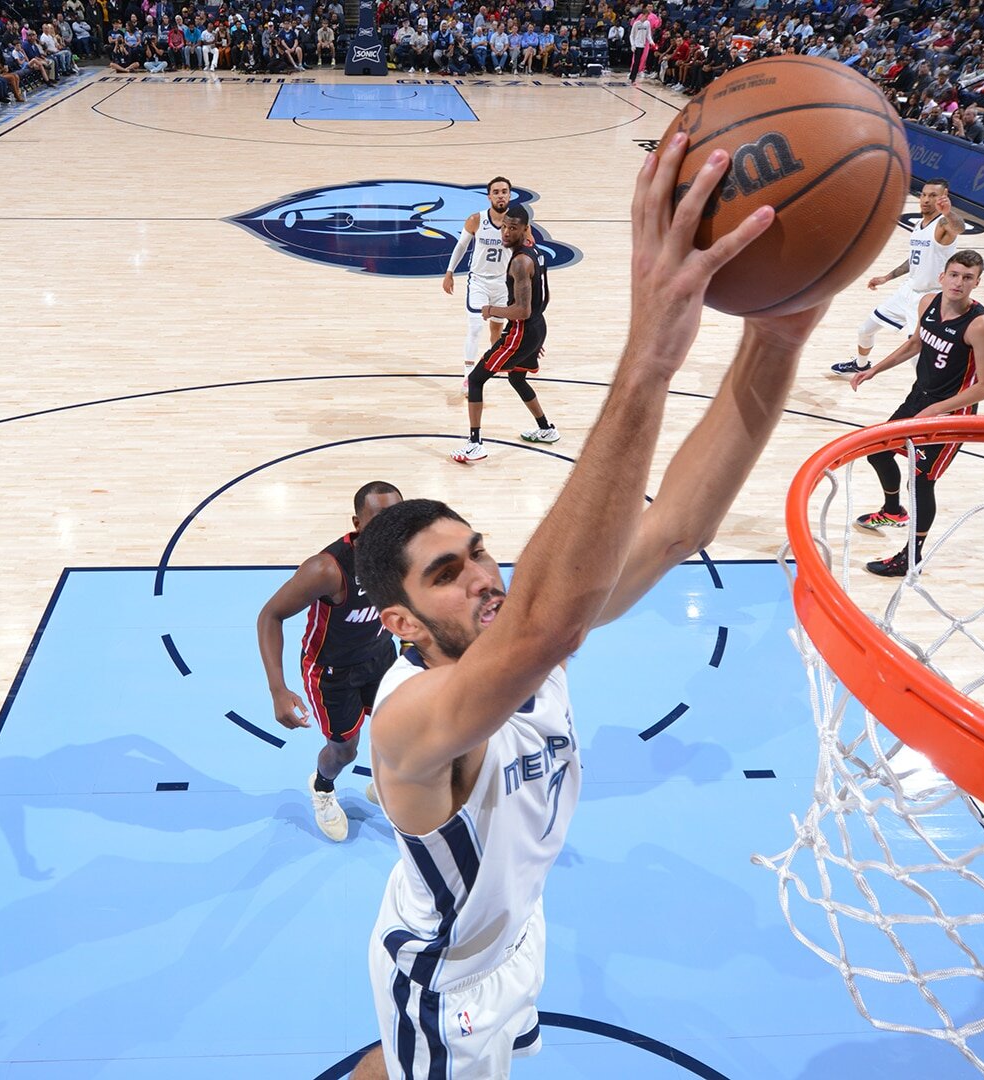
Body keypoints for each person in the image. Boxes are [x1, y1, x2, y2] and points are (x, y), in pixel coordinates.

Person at [346, 133, 821, 1079]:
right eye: (447, 574)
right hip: (447, 976)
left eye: (478, 550)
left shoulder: (518, 634)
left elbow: (678, 523)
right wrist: (646, 359)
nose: (483, 574)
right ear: (398, 621)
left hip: (518, 932)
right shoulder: (411, 723)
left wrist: (779, 333)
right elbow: (549, 626)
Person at [256, 481, 405, 842]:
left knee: (403, 731)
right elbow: (270, 616)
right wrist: (278, 689)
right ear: (357, 523)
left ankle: (385, 786)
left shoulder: (408, 552)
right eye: (380, 520)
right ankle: (323, 788)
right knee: (344, 751)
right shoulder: (327, 569)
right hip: (333, 672)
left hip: (382, 654)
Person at [847, 250, 984, 577]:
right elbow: (915, 344)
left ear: (977, 282)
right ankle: (892, 511)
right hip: (920, 398)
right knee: (878, 453)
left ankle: (910, 557)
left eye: (968, 277)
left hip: (952, 414)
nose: (959, 282)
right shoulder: (928, 302)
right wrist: (875, 370)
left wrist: (937, 410)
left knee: (920, 481)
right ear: (943, 276)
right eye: (955, 275)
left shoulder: (981, 325)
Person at [454, 205, 557, 463]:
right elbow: (543, 299)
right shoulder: (535, 253)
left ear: (525, 229)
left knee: (476, 380)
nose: (506, 232)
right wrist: (535, 337)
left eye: (513, 228)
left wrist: (491, 309)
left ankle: (475, 443)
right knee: (517, 379)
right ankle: (545, 428)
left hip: (522, 330)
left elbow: (521, 310)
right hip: (535, 327)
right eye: (505, 226)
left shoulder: (520, 262)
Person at [832, 179, 965, 378]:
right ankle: (861, 365)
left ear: (944, 196)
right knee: (865, 330)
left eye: (933, 196)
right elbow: (914, 259)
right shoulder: (919, 225)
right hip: (908, 290)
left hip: (929, 298)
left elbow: (959, 227)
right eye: (924, 195)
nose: (926, 200)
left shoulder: (943, 225)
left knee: (916, 356)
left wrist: (948, 212)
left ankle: (932, 395)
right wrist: (887, 277)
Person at [442, 176, 513, 385]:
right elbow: (461, 246)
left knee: (496, 329)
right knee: (475, 327)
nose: (500, 195)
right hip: (479, 281)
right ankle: (469, 374)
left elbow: (528, 248)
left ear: (509, 194)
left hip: (503, 283)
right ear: (489, 195)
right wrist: (449, 272)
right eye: (496, 192)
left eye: (504, 191)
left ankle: (492, 365)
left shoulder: (517, 221)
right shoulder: (476, 219)